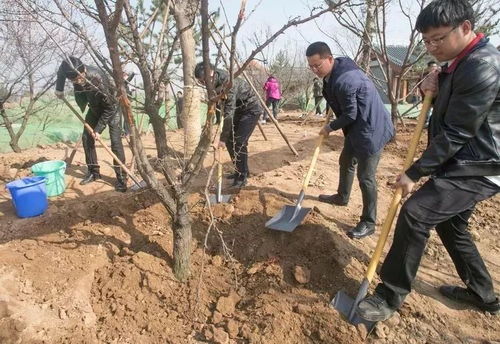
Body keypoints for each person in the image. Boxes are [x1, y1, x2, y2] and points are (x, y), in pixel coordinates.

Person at [357, 0, 500, 322]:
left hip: (479, 165)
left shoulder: (483, 65)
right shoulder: (461, 61)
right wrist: (432, 84)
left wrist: (415, 171)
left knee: (416, 213)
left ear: (465, 28)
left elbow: (460, 130)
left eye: (438, 39)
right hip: (465, 160)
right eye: (426, 41)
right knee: (452, 226)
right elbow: (450, 101)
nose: (432, 47)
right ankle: (483, 294)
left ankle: (388, 296)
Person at [306, 42, 394, 239]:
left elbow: (351, 114)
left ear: (329, 59)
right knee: (346, 161)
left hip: (371, 130)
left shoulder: (345, 81)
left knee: (366, 177)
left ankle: (368, 222)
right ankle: (342, 197)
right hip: (357, 129)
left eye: (317, 65)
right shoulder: (336, 70)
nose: (314, 70)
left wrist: (329, 127)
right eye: (311, 66)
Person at [55, 56, 128, 192]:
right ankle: (94, 172)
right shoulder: (69, 69)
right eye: (75, 80)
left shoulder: (98, 80)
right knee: (86, 138)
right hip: (94, 107)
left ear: (84, 71)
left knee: (116, 142)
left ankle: (122, 178)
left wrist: (98, 129)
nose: (78, 82)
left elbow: (109, 108)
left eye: (80, 78)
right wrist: (59, 89)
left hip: (111, 109)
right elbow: (61, 72)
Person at [194, 62, 263, 187]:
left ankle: (242, 178)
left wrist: (222, 139)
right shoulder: (213, 83)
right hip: (238, 110)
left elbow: (229, 114)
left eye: (206, 80)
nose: (205, 84)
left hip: (250, 109)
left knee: (239, 142)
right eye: (201, 82)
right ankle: (239, 171)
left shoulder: (227, 83)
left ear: (212, 72)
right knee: (231, 141)